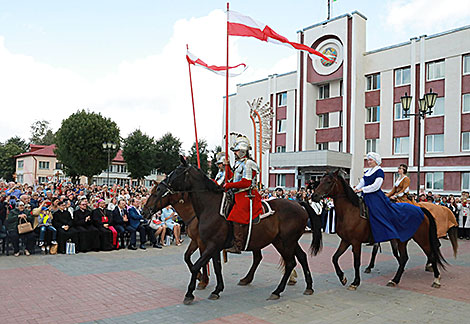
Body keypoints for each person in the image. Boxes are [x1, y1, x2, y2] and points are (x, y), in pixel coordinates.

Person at [354, 152, 424, 243]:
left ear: (375, 161)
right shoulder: (368, 172)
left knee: (376, 212)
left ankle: (383, 233)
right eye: (368, 160)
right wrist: (356, 188)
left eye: (370, 160)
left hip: (375, 196)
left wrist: (363, 189)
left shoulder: (379, 171)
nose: (368, 162)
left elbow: (376, 186)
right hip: (367, 195)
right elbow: (362, 182)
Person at [223, 135, 263, 254]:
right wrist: (227, 166)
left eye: (236, 151)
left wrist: (229, 186)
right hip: (237, 194)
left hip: (247, 195)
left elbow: (246, 182)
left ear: (242, 151)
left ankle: (238, 245)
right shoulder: (238, 164)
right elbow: (232, 178)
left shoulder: (248, 163)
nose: (234, 153)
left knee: (236, 216)